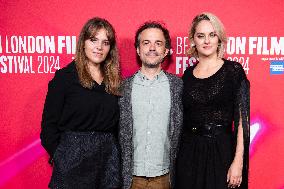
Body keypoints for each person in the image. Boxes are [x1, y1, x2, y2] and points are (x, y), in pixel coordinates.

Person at [40, 17, 122, 189]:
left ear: (110, 48)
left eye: (105, 42)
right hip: (73, 157)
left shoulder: (114, 81)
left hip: (108, 159)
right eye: (93, 40)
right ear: (83, 42)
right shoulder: (65, 78)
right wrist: (63, 156)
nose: (99, 47)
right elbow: (49, 126)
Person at [176, 12, 250, 189]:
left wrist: (238, 162)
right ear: (193, 40)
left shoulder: (233, 71)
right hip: (189, 152)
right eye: (201, 36)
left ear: (219, 38)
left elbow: (242, 122)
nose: (207, 41)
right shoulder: (186, 76)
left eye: (212, 34)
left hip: (221, 151)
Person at [119, 21, 183, 189]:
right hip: (131, 178)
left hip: (165, 177)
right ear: (138, 50)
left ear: (166, 51)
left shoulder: (178, 87)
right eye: (146, 43)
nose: (152, 48)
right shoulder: (122, 88)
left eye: (158, 43)